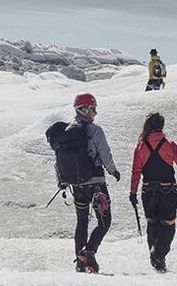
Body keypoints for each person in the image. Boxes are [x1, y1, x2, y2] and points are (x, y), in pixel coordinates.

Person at [46, 92, 121, 273]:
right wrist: (113, 171)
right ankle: (89, 251)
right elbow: (105, 154)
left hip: (77, 186)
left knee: (81, 222)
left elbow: (59, 160)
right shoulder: (94, 131)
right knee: (104, 221)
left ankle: (80, 261)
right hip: (96, 185)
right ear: (86, 109)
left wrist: (61, 181)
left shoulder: (66, 133)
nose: (95, 113)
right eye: (93, 109)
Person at [129, 113, 177, 273]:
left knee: (152, 224)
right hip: (167, 190)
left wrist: (132, 192)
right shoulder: (169, 144)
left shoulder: (140, 146)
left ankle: (157, 261)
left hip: (147, 191)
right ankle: (158, 255)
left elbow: (136, 171)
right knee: (168, 225)